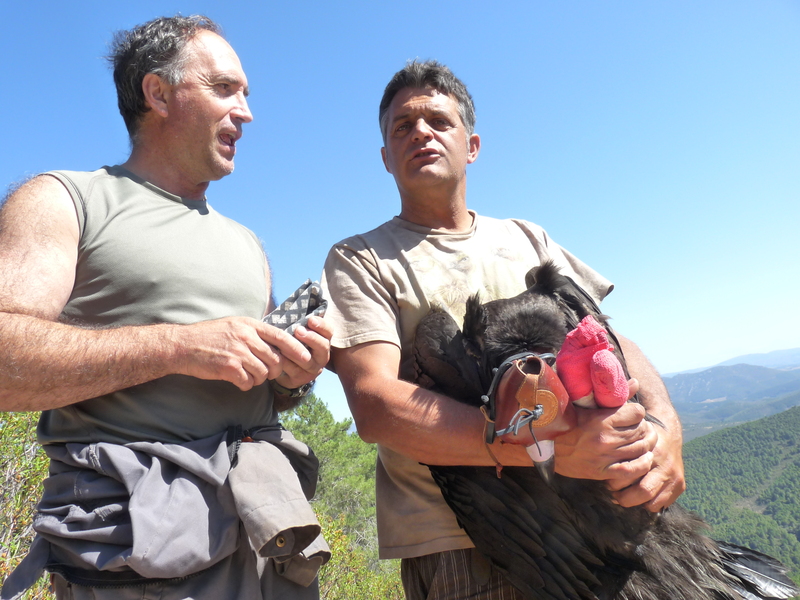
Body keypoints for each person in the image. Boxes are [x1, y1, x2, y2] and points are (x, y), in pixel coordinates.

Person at [321, 60, 685, 600]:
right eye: (402, 126)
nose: (420, 132)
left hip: (593, 517)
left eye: (438, 121)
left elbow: (610, 340)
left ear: (471, 145)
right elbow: (376, 404)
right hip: (465, 543)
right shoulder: (362, 259)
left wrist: (666, 428)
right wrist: (547, 451)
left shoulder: (526, 237)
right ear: (385, 158)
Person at [0, 15, 332, 600]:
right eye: (225, 88)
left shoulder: (249, 244)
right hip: (135, 550)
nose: (246, 112)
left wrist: (293, 377)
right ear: (157, 92)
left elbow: (259, 387)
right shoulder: (63, 198)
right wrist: (179, 345)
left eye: (245, 94)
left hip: (266, 537)